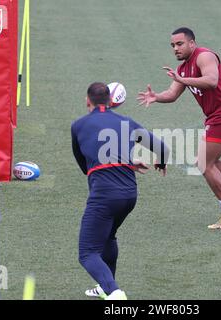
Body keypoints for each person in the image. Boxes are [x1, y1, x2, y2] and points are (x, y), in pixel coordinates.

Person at [137, 27, 221, 230]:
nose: (175, 49)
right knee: (207, 161)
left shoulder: (204, 56)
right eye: (172, 45)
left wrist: (183, 80)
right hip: (217, 117)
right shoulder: (182, 69)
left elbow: (212, 81)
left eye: (179, 44)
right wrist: (156, 97)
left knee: (204, 163)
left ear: (192, 43)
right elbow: (172, 94)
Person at [72, 82, 169, 300]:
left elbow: (85, 166)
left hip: (105, 195)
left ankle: (115, 293)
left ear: (87, 100)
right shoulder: (126, 123)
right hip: (129, 193)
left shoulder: (78, 126)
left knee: (88, 253)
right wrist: (158, 164)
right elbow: (163, 148)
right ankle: (106, 286)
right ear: (111, 102)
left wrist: (113, 165)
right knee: (107, 237)